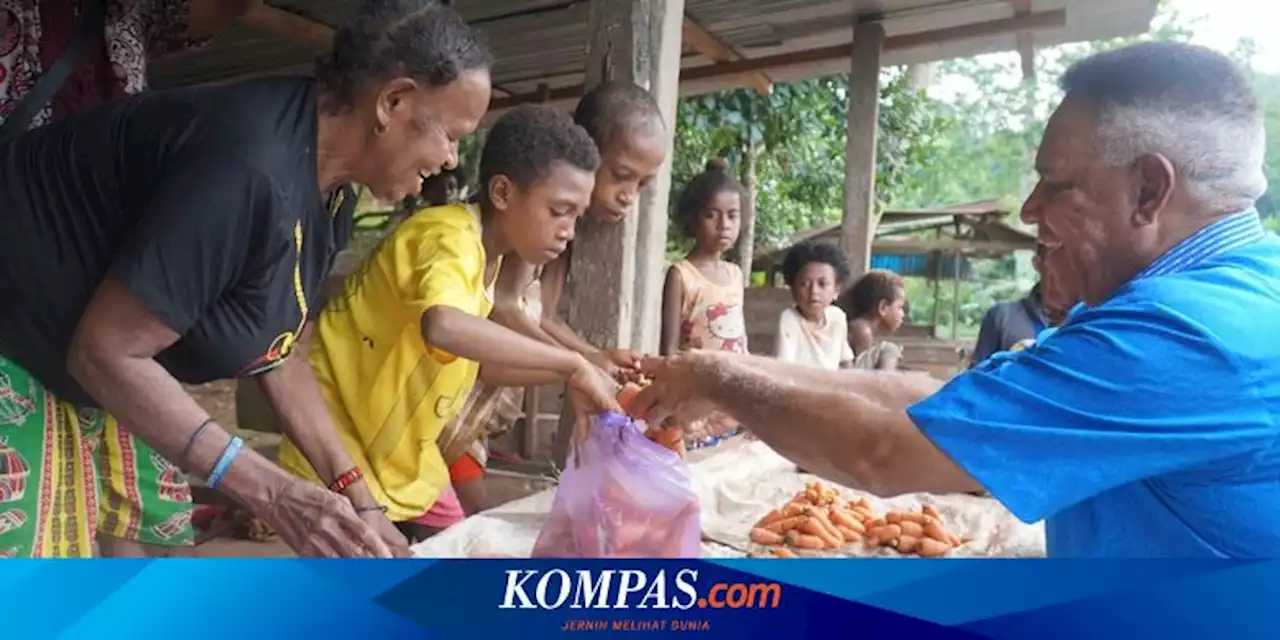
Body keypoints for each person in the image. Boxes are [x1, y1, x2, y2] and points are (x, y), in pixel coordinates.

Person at [632, 42, 1280, 558]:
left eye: (1055, 185)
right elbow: (936, 404)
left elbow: (884, 450)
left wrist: (718, 380)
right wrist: (724, 373)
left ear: (1148, 191)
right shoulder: (1224, 291)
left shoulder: (1187, 336)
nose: (1030, 210)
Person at [0, 0, 491, 558]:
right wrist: (274, 492)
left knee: (154, 556)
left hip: (88, 357)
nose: (451, 160)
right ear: (393, 101)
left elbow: (282, 353)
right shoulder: (248, 166)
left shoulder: (331, 194)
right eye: (450, 134)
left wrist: (361, 503)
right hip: (22, 335)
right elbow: (107, 352)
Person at [276, 104, 621, 545]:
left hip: (404, 463)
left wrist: (579, 373)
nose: (568, 231)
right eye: (559, 210)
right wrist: (574, 365)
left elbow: (485, 367)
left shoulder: (484, 259)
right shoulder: (448, 236)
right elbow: (443, 326)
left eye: (576, 216)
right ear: (502, 192)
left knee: (455, 557)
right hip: (340, 452)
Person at [1, 0, 252, 558]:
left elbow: (217, 13)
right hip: (19, 300)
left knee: (150, 513)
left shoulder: (126, 15)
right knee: (28, 529)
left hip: (106, 296)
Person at [657, 159, 748, 448]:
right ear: (693, 220)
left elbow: (739, 340)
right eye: (712, 215)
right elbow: (670, 351)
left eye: (733, 216)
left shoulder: (735, 274)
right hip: (695, 404)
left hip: (732, 401)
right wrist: (678, 408)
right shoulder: (682, 275)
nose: (724, 225)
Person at [969, 244, 1071, 364]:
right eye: (1056, 261)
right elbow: (978, 377)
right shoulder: (1002, 317)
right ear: (1037, 263)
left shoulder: (1089, 321)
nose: (1065, 271)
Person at [774, 240, 854, 371]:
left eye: (822, 284)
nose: (814, 291)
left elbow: (845, 361)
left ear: (836, 291)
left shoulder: (837, 318)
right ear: (793, 289)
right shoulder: (789, 319)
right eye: (804, 284)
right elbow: (783, 368)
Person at [840, 269, 906, 371]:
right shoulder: (862, 331)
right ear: (883, 307)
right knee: (889, 349)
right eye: (900, 307)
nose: (902, 314)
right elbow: (858, 371)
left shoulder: (859, 327)